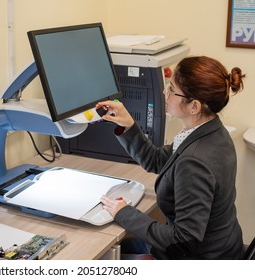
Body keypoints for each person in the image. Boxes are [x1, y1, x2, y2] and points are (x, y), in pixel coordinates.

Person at [97, 56, 246, 260]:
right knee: (120, 247)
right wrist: (129, 125)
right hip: (222, 248)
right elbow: (157, 160)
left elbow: (183, 238)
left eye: (172, 89)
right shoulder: (213, 131)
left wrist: (124, 213)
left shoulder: (194, 162)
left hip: (200, 260)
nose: (165, 92)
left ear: (194, 106)